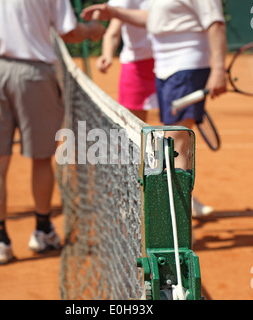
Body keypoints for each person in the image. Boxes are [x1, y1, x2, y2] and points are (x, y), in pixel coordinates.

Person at [0, 0, 106, 265]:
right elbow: (69, 32)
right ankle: (42, 231)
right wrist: (93, 31)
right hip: (33, 72)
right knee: (41, 157)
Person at [82, 0, 227, 217]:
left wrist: (218, 69)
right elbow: (152, 19)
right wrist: (114, 11)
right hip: (164, 70)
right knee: (166, 142)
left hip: (186, 66)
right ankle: (173, 209)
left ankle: (178, 219)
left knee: (175, 143)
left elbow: (215, 23)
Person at [96, 0, 157, 122]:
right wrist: (106, 55)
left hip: (169, 63)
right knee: (134, 126)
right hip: (136, 66)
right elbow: (112, 33)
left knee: (176, 122)